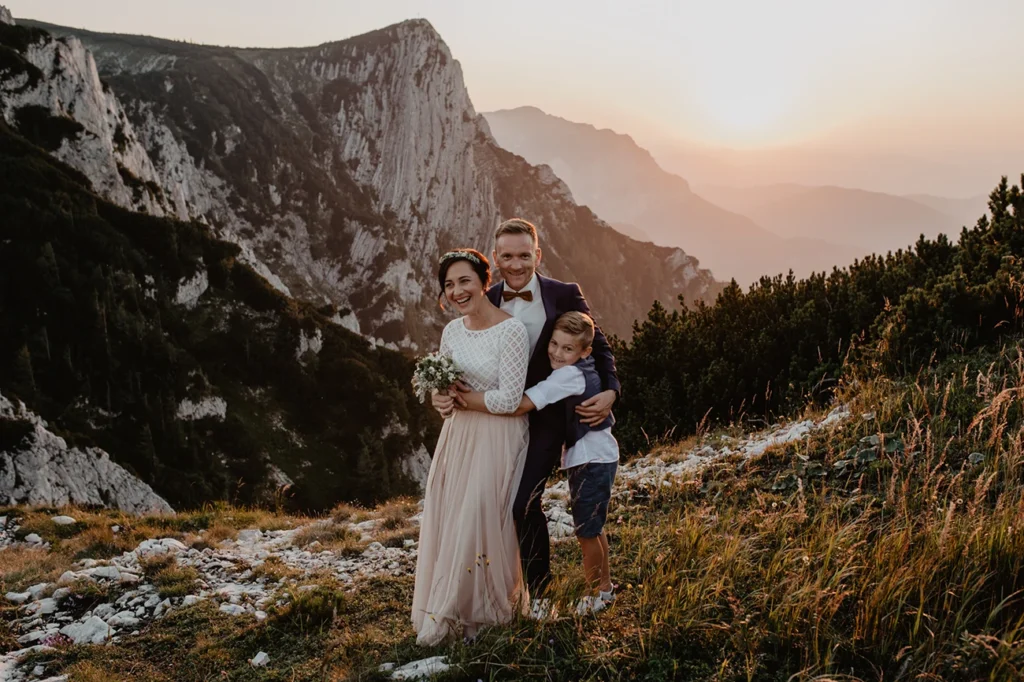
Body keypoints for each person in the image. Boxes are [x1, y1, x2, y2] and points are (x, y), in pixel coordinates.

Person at [433, 219, 619, 618]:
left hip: (547, 418)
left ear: (537, 254)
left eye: (523, 255)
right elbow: (464, 356)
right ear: (495, 259)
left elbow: (597, 345)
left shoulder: (563, 293)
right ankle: (486, 591)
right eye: (507, 256)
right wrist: (441, 393)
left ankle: (542, 596)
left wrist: (610, 391)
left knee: (524, 502)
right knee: (489, 505)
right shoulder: (486, 297)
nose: (515, 265)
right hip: (496, 424)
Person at [460, 311, 619, 615]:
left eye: (567, 348)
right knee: (594, 527)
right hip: (597, 455)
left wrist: (469, 401)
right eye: (554, 344)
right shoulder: (580, 367)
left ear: (586, 351)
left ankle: (595, 595)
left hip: (591, 459)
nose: (557, 353)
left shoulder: (567, 375)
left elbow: (522, 404)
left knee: (587, 530)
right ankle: (605, 589)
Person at [411, 248, 530, 645]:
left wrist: (463, 399)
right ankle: (453, 608)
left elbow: (510, 399)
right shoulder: (452, 331)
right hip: (458, 436)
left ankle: (487, 610)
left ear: (485, 281)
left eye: (465, 281)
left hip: (499, 435)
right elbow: (442, 389)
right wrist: (442, 400)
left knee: (481, 512)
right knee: (452, 513)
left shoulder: (512, 330)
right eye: (449, 285)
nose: (458, 291)